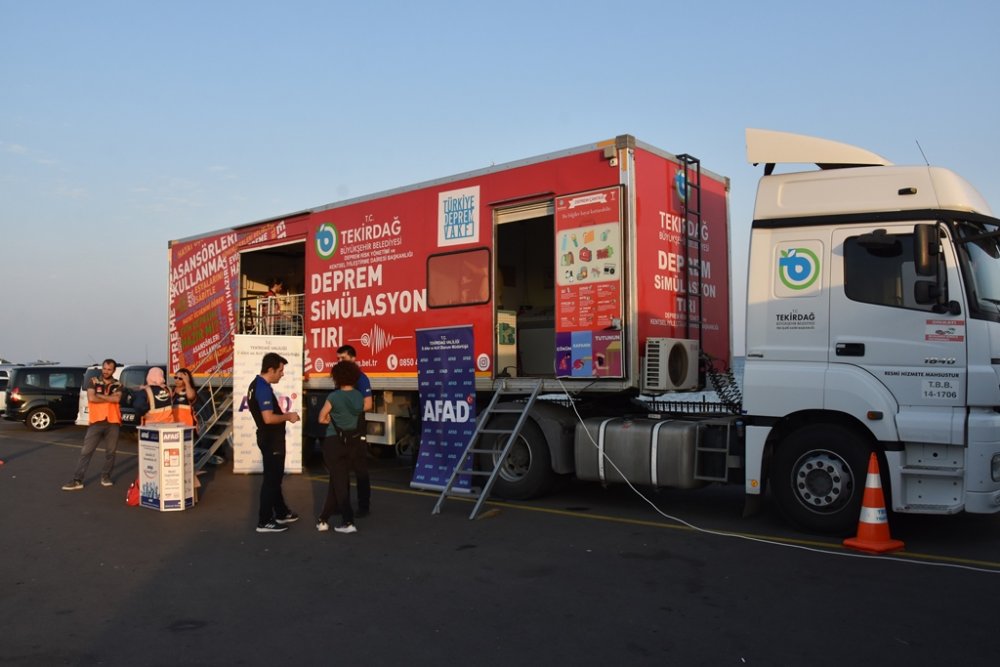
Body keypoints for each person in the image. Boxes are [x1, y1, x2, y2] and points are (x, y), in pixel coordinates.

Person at [248, 352, 300, 533]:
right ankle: (264, 521)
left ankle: (281, 512)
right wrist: (289, 416)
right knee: (272, 480)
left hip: (268, 438)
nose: (282, 374)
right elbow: (268, 418)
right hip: (271, 440)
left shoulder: (256, 385)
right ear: (270, 370)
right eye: (280, 370)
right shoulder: (262, 388)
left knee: (274, 478)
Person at [317, 361, 365, 534]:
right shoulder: (359, 396)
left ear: (337, 377)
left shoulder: (334, 397)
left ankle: (348, 521)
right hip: (351, 443)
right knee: (337, 480)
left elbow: (321, 418)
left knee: (339, 483)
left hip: (334, 442)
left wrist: (330, 419)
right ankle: (323, 519)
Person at [62, 359, 122, 490]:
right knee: (86, 452)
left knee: (111, 452)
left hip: (113, 421)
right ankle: (77, 480)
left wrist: (100, 396)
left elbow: (117, 399)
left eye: (109, 369)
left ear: (114, 370)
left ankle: (106, 476)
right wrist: (109, 398)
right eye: (104, 368)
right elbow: (91, 398)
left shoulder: (118, 384)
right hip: (96, 422)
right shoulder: (93, 381)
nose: (106, 371)